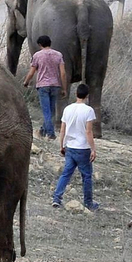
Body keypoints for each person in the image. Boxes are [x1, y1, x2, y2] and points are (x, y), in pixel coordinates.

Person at [52, 82, 99, 211]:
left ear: (76, 94)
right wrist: (93, 149)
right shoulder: (88, 111)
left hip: (70, 147)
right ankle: (88, 203)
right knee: (87, 176)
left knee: (66, 174)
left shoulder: (68, 109)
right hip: (82, 148)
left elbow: (62, 130)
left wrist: (62, 145)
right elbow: (88, 132)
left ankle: (57, 198)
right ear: (87, 96)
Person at [23, 34, 67, 139]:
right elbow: (63, 73)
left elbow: (31, 72)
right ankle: (42, 131)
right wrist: (64, 88)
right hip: (55, 85)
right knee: (51, 111)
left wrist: (26, 82)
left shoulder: (37, 55)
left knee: (46, 111)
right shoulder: (58, 55)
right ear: (50, 43)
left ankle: (50, 134)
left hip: (43, 85)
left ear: (40, 44)